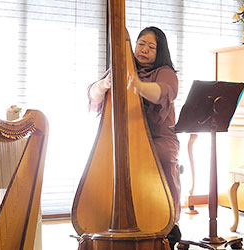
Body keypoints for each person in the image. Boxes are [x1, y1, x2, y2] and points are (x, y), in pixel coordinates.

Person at [87, 26, 181, 248]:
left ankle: (168, 221)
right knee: (105, 160)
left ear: (160, 52)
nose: (145, 50)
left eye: (151, 47)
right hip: (125, 138)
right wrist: (103, 85)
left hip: (159, 138)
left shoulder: (165, 71)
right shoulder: (121, 67)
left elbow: (164, 92)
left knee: (163, 157)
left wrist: (139, 87)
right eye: (141, 44)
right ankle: (110, 217)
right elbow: (92, 95)